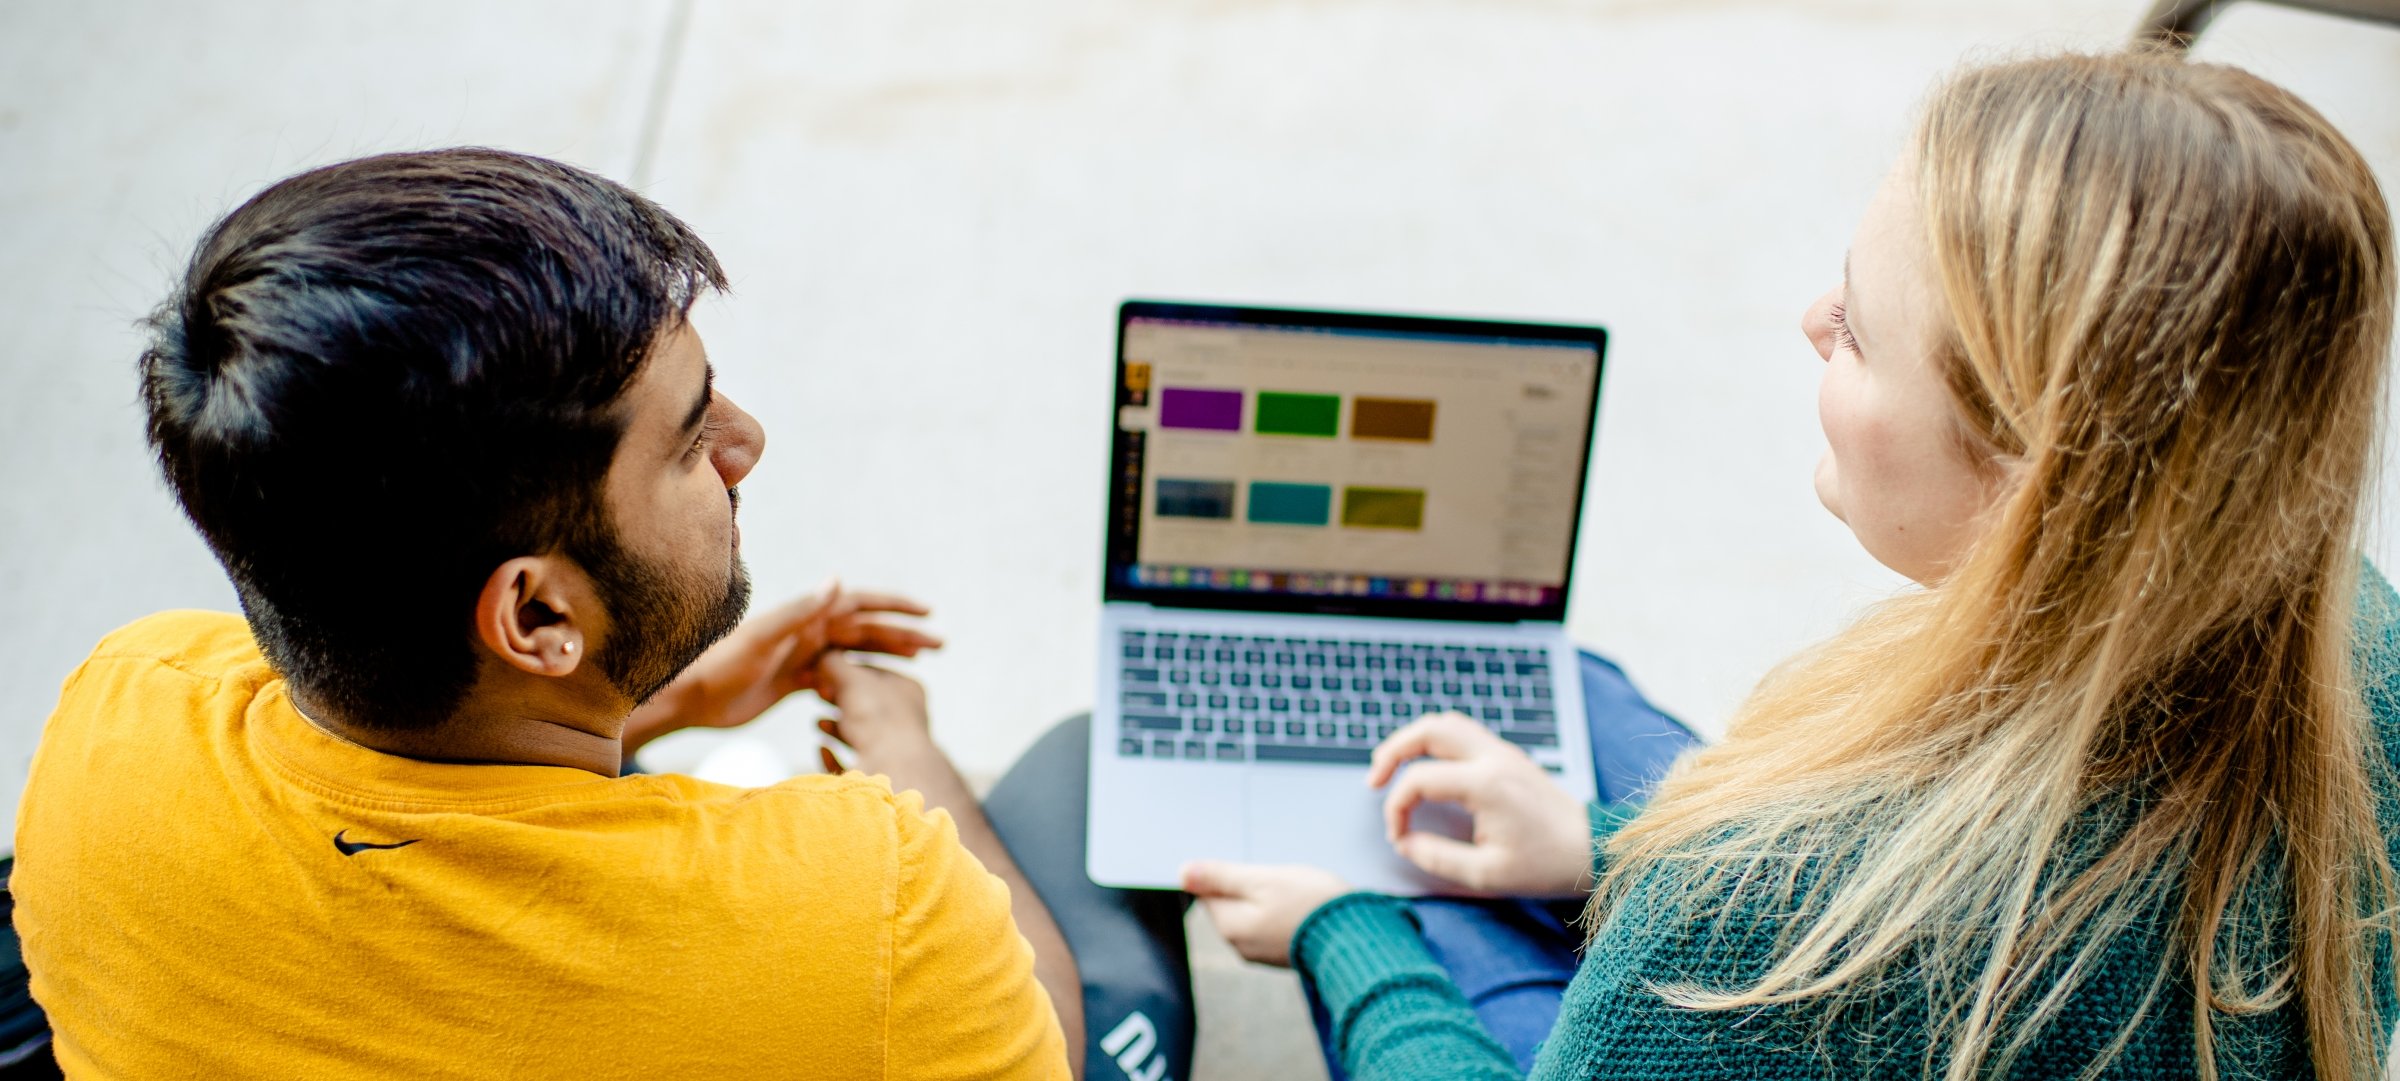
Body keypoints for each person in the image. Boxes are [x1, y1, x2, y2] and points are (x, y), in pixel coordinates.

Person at [1047, 48, 2400, 1080]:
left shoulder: (1742, 921)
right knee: (1561, 709)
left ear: (2026, 463)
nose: (1814, 319)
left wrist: (1349, 930)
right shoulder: (2359, 645)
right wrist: (1586, 847)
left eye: (1863, 331)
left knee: (1415, 849)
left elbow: (1749, 934)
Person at [13, 149, 1082, 1080]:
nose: (746, 444)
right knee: (1073, 797)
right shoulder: (875, 913)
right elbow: (1041, 1051)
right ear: (533, 617)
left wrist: (664, 699)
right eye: (689, 437)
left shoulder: (120, 716)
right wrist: (910, 757)